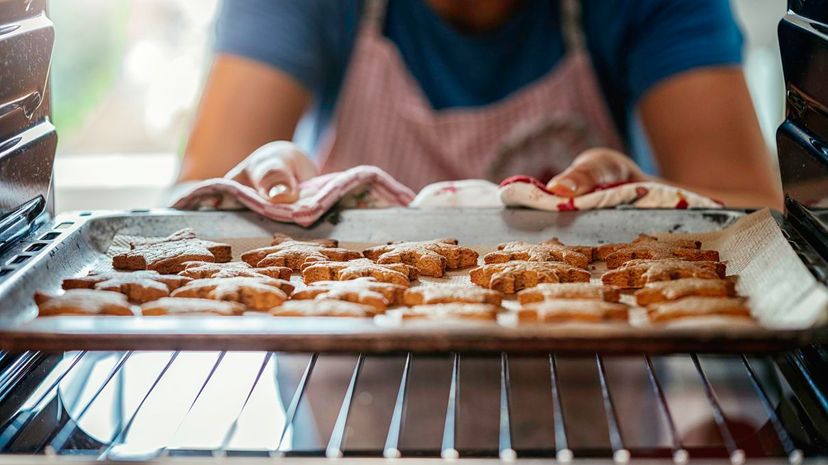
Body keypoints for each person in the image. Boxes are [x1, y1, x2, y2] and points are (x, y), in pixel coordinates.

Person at [180, 0, 782, 209]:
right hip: (349, 407)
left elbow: (753, 213)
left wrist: (646, 205)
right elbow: (196, 209)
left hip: (594, 404)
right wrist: (261, 190)